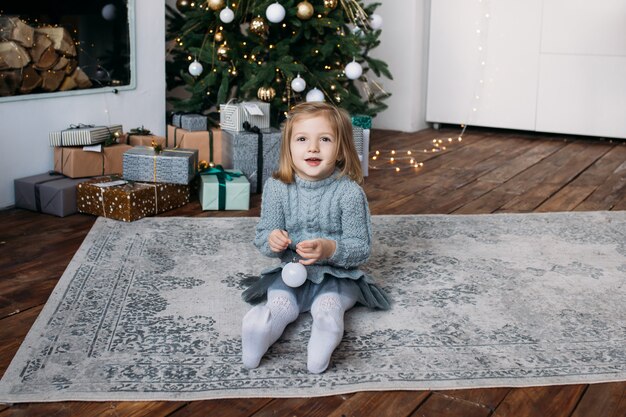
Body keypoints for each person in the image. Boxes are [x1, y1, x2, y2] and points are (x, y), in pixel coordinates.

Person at [241, 101, 390, 374]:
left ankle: (326, 332)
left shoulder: (349, 193)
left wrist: (330, 248)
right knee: (281, 303)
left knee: (329, 304)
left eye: (325, 139)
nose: (313, 148)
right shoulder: (277, 187)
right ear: (288, 147)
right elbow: (263, 235)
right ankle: (258, 332)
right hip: (291, 270)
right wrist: (273, 240)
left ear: (342, 148)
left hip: (336, 275)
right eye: (302, 139)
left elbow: (361, 248)